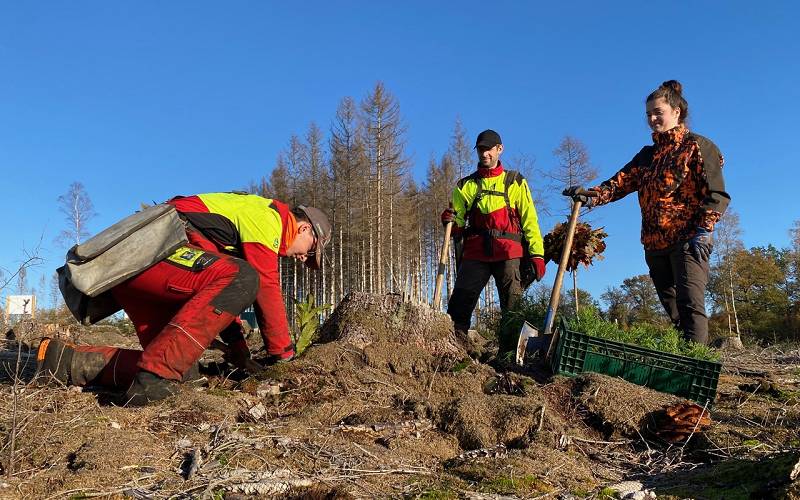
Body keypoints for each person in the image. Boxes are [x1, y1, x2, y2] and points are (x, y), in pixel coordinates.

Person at [38, 192, 332, 405]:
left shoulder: (244, 229)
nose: (303, 257)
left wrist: (238, 348)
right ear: (304, 228)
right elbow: (262, 285)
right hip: (150, 256)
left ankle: (64, 361)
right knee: (244, 278)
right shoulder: (270, 217)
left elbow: (213, 294)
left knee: (182, 371)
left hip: (155, 275)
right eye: (309, 250)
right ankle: (151, 382)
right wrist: (283, 355)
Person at [565, 80, 729, 345]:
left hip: (688, 239)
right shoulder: (647, 156)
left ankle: (698, 365)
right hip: (654, 244)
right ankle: (684, 358)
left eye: (658, 112)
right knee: (673, 309)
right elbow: (618, 184)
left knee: (690, 303)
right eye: (648, 114)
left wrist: (705, 229)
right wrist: (590, 196)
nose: (652, 119)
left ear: (676, 112)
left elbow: (716, 192)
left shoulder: (697, 146)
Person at [441, 129, 545, 358]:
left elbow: (530, 219)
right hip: (476, 252)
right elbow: (457, 223)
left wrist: (537, 254)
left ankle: (509, 357)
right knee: (460, 301)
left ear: (500, 149)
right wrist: (451, 220)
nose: (485, 153)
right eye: (480, 149)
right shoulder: (465, 185)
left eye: (489, 148)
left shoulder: (515, 181)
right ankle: (455, 351)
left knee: (512, 306)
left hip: (509, 252)